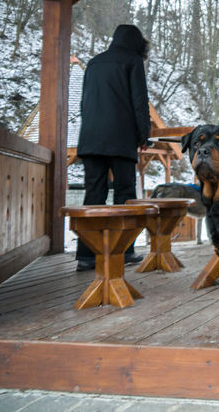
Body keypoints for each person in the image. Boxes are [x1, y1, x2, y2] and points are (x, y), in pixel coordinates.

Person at [74, 24, 152, 271]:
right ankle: (124, 251)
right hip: (120, 139)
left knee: (93, 195)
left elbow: (83, 103)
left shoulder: (95, 62)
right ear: (137, 43)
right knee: (125, 196)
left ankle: (87, 256)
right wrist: (143, 136)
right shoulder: (133, 61)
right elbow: (140, 102)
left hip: (91, 139)